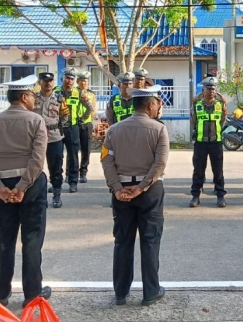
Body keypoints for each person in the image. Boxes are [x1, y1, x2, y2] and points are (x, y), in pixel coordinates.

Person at [0, 75, 50, 308]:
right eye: (31, 95)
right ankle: (32, 294)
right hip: (30, 186)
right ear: (23, 96)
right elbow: (37, 159)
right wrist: (21, 187)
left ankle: (0, 293)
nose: (34, 100)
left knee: (5, 241)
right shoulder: (36, 121)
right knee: (31, 240)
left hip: (2, 186)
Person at [102, 85, 168, 307]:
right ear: (150, 105)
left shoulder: (114, 130)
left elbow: (106, 160)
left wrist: (117, 187)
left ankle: (121, 293)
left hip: (121, 192)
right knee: (150, 240)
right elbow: (159, 164)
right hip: (149, 192)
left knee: (122, 241)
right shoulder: (159, 129)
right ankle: (150, 292)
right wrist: (141, 187)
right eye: (157, 103)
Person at [33, 72, 69, 208]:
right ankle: (38, 196)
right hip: (36, 138)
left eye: (50, 81)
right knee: (35, 167)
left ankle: (56, 194)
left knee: (56, 167)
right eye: (45, 81)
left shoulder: (59, 99)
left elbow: (65, 117)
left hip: (54, 137)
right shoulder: (33, 97)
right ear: (40, 82)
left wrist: (55, 126)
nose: (48, 83)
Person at [189, 79, 227, 208]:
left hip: (216, 142)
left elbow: (223, 121)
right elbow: (193, 121)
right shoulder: (196, 105)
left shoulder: (220, 105)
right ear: (203, 91)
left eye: (213, 89)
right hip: (200, 143)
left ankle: (220, 196)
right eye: (208, 89)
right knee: (198, 171)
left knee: (218, 171)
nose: (211, 91)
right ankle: (195, 196)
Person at [55, 67, 92, 193]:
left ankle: (73, 182)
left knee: (73, 156)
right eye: (67, 78)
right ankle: (57, 183)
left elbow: (89, 107)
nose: (69, 81)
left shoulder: (78, 92)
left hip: (72, 128)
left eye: (72, 79)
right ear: (63, 78)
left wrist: (82, 119)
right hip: (57, 128)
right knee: (57, 156)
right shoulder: (55, 92)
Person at [76, 71, 98, 184]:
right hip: (74, 124)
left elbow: (94, 109)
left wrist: (88, 118)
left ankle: (83, 172)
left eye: (86, 81)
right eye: (82, 81)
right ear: (77, 82)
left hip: (87, 124)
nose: (84, 83)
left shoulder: (91, 94)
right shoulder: (73, 92)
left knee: (86, 149)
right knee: (73, 151)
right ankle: (71, 173)